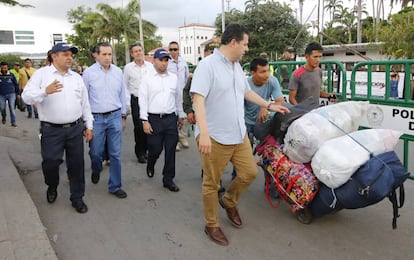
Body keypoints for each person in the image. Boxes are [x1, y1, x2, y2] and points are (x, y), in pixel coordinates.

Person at [190, 23, 290, 246]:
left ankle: (229, 201)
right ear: (233, 42)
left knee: (249, 173)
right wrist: (203, 133)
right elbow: (198, 99)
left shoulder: (236, 67)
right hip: (214, 135)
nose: (246, 48)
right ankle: (211, 224)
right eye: (244, 44)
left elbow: (245, 92)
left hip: (238, 133)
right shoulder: (207, 66)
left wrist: (269, 105)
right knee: (211, 183)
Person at [21, 42, 93, 213]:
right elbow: (26, 97)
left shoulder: (76, 77)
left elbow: (85, 104)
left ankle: (77, 197)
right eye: (65, 54)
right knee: (51, 163)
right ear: (54, 56)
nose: (70, 58)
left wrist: (88, 125)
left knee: (77, 165)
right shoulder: (42, 75)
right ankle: (52, 186)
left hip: (75, 129)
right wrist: (45, 91)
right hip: (51, 130)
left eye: (71, 54)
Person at [83, 42, 128, 199]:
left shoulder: (117, 72)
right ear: (96, 55)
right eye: (104, 54)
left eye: (110, 54)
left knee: (115, 154)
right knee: (96, 152)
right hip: (97, 118)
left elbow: (123, 94)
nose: (107, 58)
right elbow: (84, 99)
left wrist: (123, 116)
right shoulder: (88, 73)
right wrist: (86, 123)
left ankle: (115, 186)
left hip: (115, 115)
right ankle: (96, 169)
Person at [138, 49, 185, 192]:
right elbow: (143, 100)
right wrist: (144, 120)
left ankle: (168, 179)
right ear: (154, 61)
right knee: (155, 148)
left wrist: (180, 114)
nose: (163, 63)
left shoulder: (173, 78)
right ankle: (151, 163)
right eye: (161, 60)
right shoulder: (147, 78)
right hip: (154, 119)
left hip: (170, 118)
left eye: (166, 60)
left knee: (171, 149)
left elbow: (178, 97)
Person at [124, 42, 155, 164]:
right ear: (132, 54)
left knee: (148, 125)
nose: (138, 53)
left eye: (140, 50)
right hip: (136, 100)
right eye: (135, 51)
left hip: (149, 100)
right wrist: (128, 104)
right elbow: (125, 86)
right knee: (138, 127)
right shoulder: (128, 68)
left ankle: (147, 150)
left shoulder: (150, 66)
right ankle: (140, 152)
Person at [167, 41, 189, 151]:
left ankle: (182, 137)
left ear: (178, 50)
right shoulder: (166, 62)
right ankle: (174, 141)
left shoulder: (183, 62)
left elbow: (186, 77)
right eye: (171, 49)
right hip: (170, 94)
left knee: (183, 116)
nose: (173, 51)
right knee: (173, 118)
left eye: (175, 49)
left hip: (182, 92)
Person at [0, 62, 20, 127]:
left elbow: (16, 84)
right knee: (2, 108)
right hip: (1, 95)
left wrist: (18, 94)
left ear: (7, 68)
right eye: (2, 68)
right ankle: (4, 117)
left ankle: (13, 122)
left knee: (12, 108)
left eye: (5, 68)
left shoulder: (11, 75)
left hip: (11, 94)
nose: (3, 69)